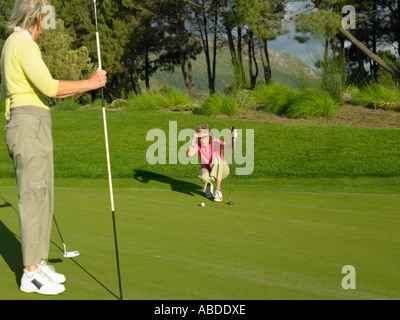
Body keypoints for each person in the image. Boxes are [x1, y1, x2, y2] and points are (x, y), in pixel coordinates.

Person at [1, 0, 107, 295]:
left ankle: (37, 260)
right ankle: (30, 273)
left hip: (31, 124)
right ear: (37, 15)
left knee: (43, 195)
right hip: (28, 126)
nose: (51, 20)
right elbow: (49, 87)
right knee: (35, 197)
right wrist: (90, 82)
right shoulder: (21, 44)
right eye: (48, 14)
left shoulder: (17, 44)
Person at [187, 123, 236, 202]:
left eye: (204, 137)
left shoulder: (216, 142)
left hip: (222, 169)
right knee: (203, 177)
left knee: (217, 160)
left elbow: (230, 147)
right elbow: (189, 154)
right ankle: (209, 185)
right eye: (200, 138)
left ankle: (218, 190)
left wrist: (233, 138)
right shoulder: (198, 144)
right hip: (207, 168)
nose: (202, 140)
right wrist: (193, 138)